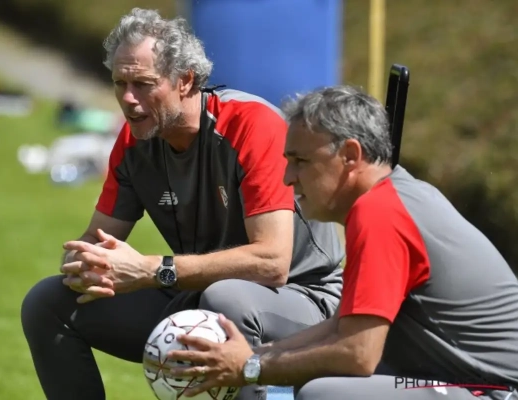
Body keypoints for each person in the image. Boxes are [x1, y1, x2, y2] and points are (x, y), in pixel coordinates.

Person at [20, 8, 345, 400]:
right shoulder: (134, 142)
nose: (128, 99)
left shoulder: (253, 126)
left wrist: (151, 269)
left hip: (307, 299)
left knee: (224, 300)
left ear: (185, 81)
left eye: (143, 84)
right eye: (120, 83)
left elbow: (272, 263)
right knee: (47, 302)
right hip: (200, 292)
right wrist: (85, 262)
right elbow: (97, 237)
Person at [166, 85, 518, 400]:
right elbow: (340, 328)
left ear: (350, 155)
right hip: (474, 383)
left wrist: (251, 367)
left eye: (300, 161)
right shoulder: (394, 196)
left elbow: (357, 354)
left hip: (496, 391)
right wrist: (255, 357)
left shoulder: (380, 213)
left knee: (323, 394)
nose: (288, 177)